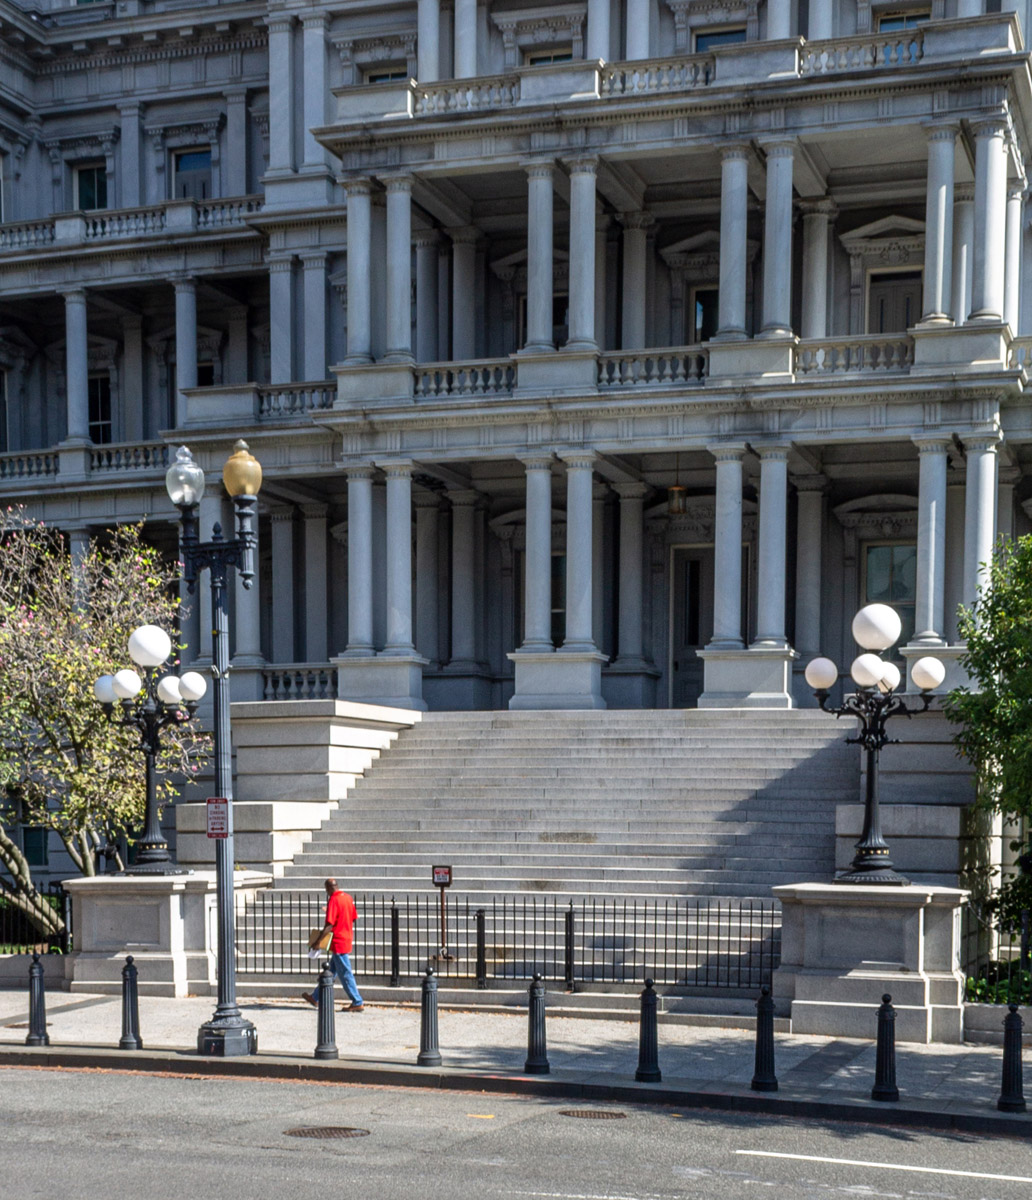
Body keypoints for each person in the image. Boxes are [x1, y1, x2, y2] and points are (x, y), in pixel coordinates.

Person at [302, 877, 364, 1012]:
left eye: (326, 890)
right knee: (331, 971)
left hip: (338, 941)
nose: (327, 892)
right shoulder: (348, 898)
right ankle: (315, 996)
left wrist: (318, 941)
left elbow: (329, 924)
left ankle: (357, 1001)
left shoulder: (334, 900)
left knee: (345, 972)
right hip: (346, 937)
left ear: (329, 888)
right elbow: (352, 918)